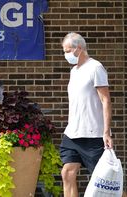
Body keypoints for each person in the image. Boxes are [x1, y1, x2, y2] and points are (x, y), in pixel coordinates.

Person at [60, 32, 113, 197]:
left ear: (79, 48)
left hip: (94, 135)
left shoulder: (95, 67)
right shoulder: (74, 71)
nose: (66, 55)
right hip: (73, 133)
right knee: (67, 172)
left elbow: (106, 100)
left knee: (104, 181)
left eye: (68, 51)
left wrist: (106, 132)